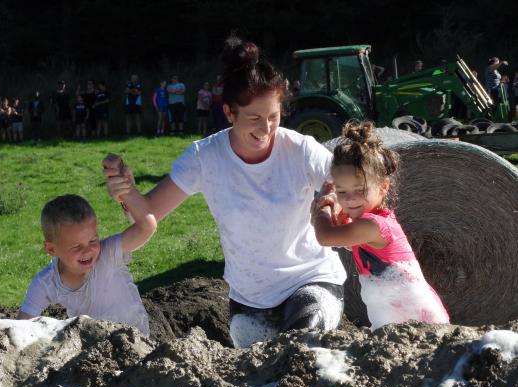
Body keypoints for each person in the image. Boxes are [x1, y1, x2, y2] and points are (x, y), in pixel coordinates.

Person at [104, 36, 347, 348]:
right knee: (259, 371)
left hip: (311, 280)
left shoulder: (300, 150)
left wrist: (333, 200)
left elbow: (346, 185)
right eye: (254, 118)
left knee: (301, 346)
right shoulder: (205, 157)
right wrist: (127, 191)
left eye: (274, 117)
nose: (267, 129)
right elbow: (150, 210)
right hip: (251, 299)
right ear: (230, 113)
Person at [311, 120, 450, 331]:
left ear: (384, 187)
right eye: (342, 192)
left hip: (419, 322)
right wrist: (333, 208)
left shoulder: (373, 225)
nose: (349, 199)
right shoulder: (368, 222)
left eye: (359, 190)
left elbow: (326, 236)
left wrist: (325, 202)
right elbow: (341, 225)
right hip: (400, 319)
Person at [17, 186, 157, 337]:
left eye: (92, 240)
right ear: (51, 249)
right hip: (94, 349)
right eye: (76, 246)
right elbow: (22, 327)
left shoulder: (108, 254)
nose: (87, 251)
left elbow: (146, 227)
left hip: (137, 341)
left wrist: (126, 192)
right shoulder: (47, 283)